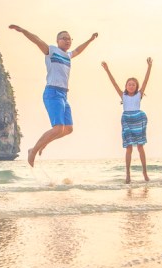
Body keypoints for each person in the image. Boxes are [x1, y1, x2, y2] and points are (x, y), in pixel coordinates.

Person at [10, 24, 98, 166]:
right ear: (57, 41)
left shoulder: (68, 55)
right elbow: (37, 40)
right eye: (64, 38)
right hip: (53, 92)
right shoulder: (51, 51)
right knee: (58, 128)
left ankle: (44, 143)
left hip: (63, 95)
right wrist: (23, 31)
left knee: (68, 129)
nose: (68, 41)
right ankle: (32, 150)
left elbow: (78, 50)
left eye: (70, 39)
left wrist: (90, 40)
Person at [101, 57, 153, 183]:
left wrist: (149, 67)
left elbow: (146, 81)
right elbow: (113, 82)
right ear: (126, 86)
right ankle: (128, 174)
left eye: (133, 85)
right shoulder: (122, 95)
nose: (131, 86)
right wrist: (107, 69)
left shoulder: (139, 95)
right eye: (129, 84)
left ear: (136, 87)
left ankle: (145, 173)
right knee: (128, 147)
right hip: (126, 120)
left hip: (138, 118)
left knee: (140, 147)